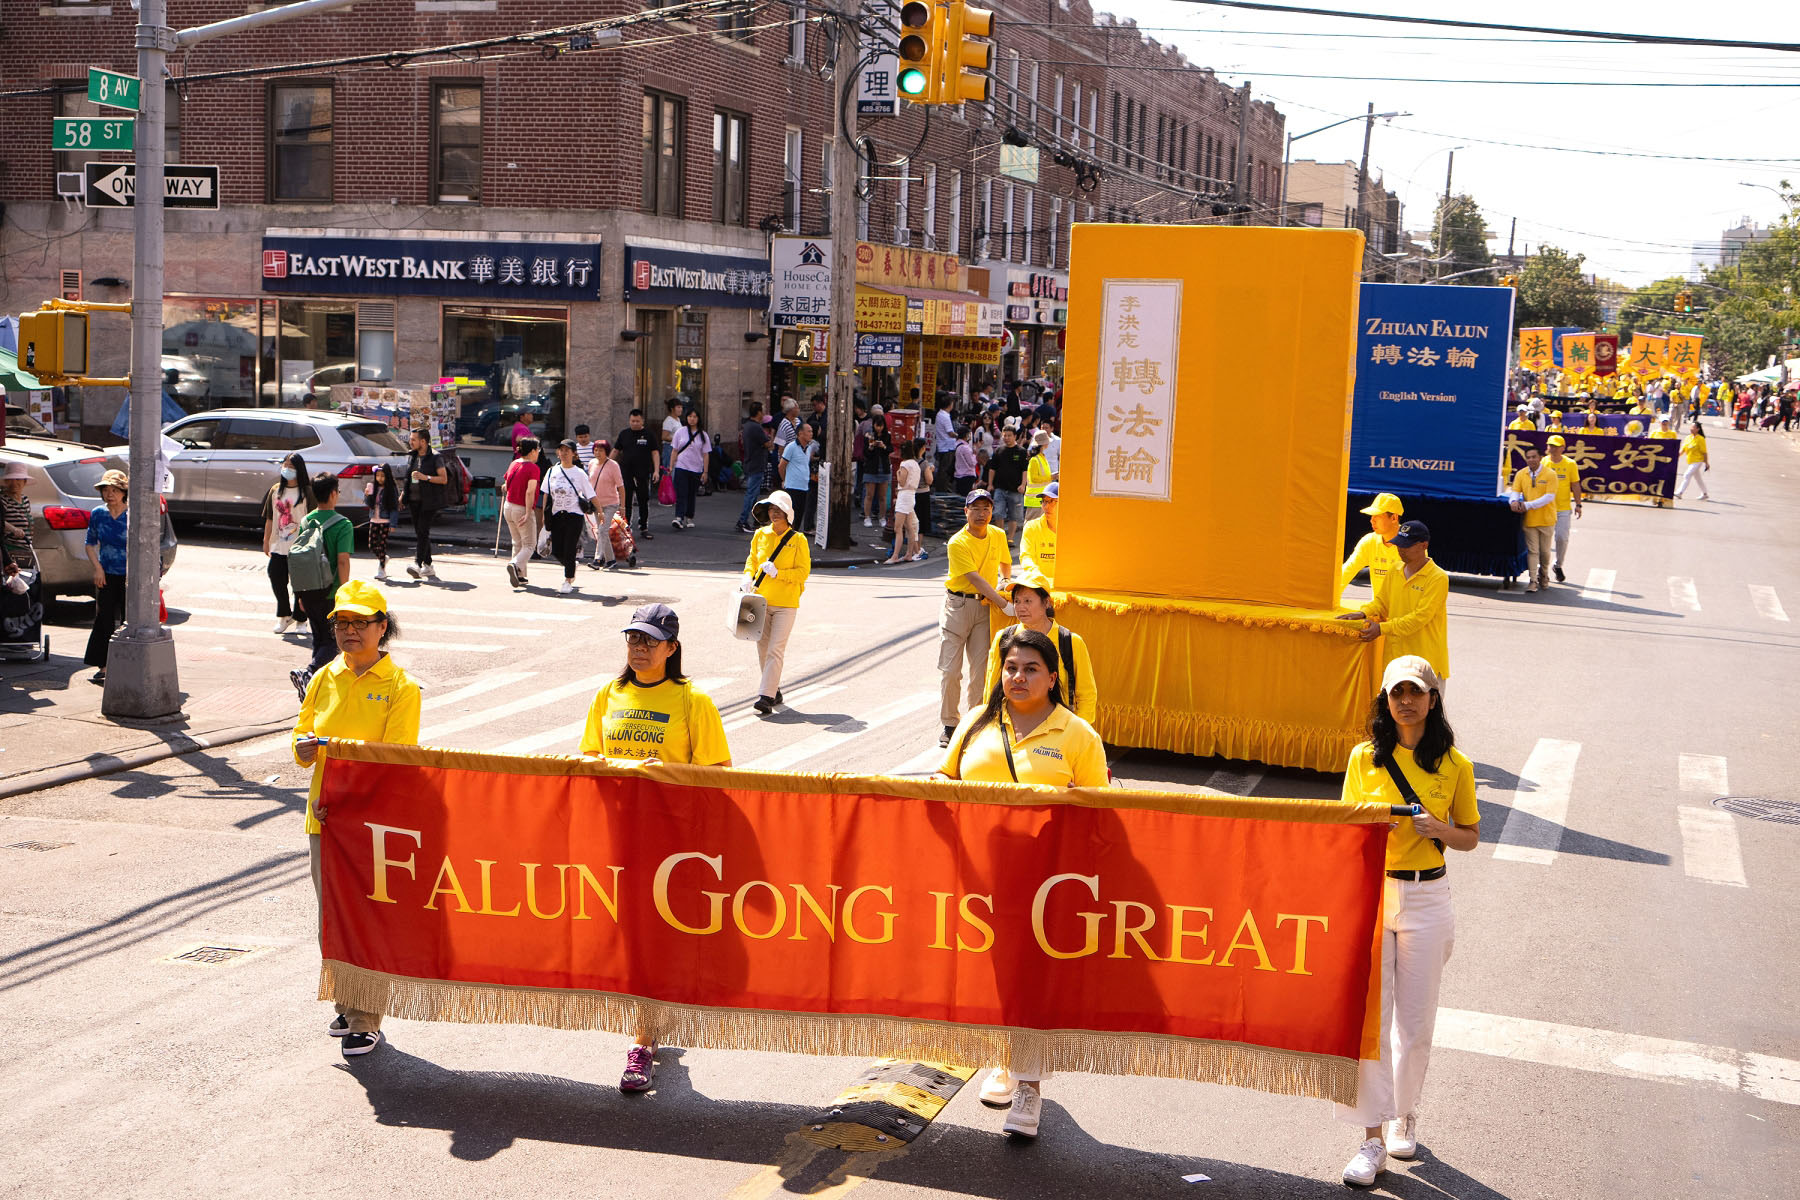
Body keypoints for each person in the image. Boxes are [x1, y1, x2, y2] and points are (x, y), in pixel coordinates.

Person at [941, 626, 1108, 1140]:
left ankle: (1030, 1086)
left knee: (1031, 982)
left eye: (1031, 668)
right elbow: (946, 779)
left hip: (1045, 885)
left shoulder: (1078, 735)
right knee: (995, 975)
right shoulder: (976, 722)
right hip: (980, 878)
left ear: (1053, 678)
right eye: (1011, 667)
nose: (1018, 677)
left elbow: (1101, 815)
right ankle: (1006, 1059)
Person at [1335, 655, 1479, 1187]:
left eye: (1416, 692)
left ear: (1433, 699)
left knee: (1414, 1028)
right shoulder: (1363, 759)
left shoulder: (1456, 766)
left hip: (1427, 897)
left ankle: (1404, 1113)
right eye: (1397, 693)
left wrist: (1439, 828)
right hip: (1374, 895)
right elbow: (1342, 828)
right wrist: (1370, 826)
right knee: (1370, 1023)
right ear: (1385, 700)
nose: (1406, 701)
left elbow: (1470, 836)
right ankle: (1370, 1139)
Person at [578, 603, 731, 1091]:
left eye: (649, 641)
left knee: (654, 939)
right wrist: (620, 770)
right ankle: (653, 1019)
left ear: (672, 648)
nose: (639, 648)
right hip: (619, 834)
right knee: (630, 938)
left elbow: (718, 773)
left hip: (671, 842)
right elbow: (589, 757)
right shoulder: (609, 693)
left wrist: (662, 776)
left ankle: (642, 1043)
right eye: (633, 639)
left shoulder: (692, 700)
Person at [293, 579, 421, 1058]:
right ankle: (347, 1005)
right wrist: (304, 749)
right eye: (342, 623)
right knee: (333, 918)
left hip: (372, 823)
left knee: (368, 917)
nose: (349, 631)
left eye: (360, 623)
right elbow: (302, 736)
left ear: (382, 627)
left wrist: (349, 796)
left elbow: (396, 759)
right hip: (324, 818)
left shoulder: (401, 687)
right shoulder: (324, 677)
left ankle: (367, 1017)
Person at [937, 489, 1014, 747]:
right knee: (950, 671)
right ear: (966, 511)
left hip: (984, 607)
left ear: (992, 511)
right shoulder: (957, 542)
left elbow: (1005, 562)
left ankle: (974, 723)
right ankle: (950, 723)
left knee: (981, 671)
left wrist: (1005, 580)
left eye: (986, 509)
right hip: (958, 606)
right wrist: (1003, 603)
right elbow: (975, 579)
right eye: (976, 509)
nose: (982, 514)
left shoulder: (998, 534)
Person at [1342, 521, 1450, 689]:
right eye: (1399, 544)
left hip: (1424, 663)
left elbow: (1419, 618)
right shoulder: (1395, 570)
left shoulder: (1437, 578)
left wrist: (1381, 628)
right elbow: (1381, 602)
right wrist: (1363, 612)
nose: (1401, 549)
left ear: (1424, 545)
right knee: (1391, 704)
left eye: (1406, 545)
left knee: (1424, 705)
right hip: (1395, 659)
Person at [981, 571, 1095, 723]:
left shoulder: (1071, 642)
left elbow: (1087, 695)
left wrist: (1079, 730)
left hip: (1059, 726)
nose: (1020, 607)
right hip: (1014, 726)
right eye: (1017, 601)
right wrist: (992, 724)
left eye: (1028, 601)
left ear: (1046, 603)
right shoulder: (1004, 638)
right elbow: (991, 688)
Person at [742, 490, 812, 714]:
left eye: (779, 510)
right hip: (760, 601)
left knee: (775, 649)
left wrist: (778, 573)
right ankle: (774, 689)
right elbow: (752, 561)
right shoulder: (760, 535)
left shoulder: (798, 540)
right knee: (763, 649)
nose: (774, 513)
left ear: (788, 513)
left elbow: (803, 573)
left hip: (786, 604)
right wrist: (747, 577)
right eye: (771, 509)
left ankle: (765, 696)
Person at [287, 472, 356, 698]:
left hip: (308, 590)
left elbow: (300, 559)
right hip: (331, 593)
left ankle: (314, 688)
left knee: (318, 638)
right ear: (334, 494)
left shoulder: (307, 521)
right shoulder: (343, 524)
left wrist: (299, 595)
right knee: (332, 642)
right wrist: (344, 594)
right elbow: (343, 561)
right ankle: (308, 673)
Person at [83, 468, 131, 684]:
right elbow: (90, 544)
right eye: (106, 490)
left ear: (124, 492)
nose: (110, 494)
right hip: (106, 574)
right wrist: (98, 568)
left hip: (129, 576)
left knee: (128, 620)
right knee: (104, 618)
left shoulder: (132, 515)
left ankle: (128, 665)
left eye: (115, 490)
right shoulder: (98, 513)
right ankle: (104, 666)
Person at [259, 451, 314, 635]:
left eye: (291, 466)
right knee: (276, 577)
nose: (287, 469)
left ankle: (301, 619)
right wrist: (266, 540)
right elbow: (269, 518)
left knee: (300, 585)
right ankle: (284, 615)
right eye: (285, 465)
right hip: (279, 546)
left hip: (301, 547)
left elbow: (314, 519)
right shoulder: (275, 490)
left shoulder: (307, 492)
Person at [544, 439, 596, 594]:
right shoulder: (552, 471)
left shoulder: (579, 473)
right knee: (556, 550)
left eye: (567, 450)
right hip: (556, 514)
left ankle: (568, 580)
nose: (564, 453)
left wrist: (599, 511)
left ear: (574, 454)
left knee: (569, 547)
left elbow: (591, 494)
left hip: (574, 515)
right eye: (562, 450)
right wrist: (544, 514)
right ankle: (571, 565)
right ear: (558, 453)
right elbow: (546, 493)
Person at [1507, 446, 1559, 593]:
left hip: (1547, 519)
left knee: (1545, 552)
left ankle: (1544, 575)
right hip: (1529, 520)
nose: (1531, 460)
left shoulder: (1550, 474)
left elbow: (1549, 497)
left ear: (1540, 457)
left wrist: (1527, 505)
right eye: (1528, 457)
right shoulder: (1521, 474)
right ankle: (1533, 580)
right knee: (1532, 551)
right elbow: (1515, 491)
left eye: (1534, 457)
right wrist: (1513, 501)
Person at [1339, 493, 1403, 600]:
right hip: (1378, 608)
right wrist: (1327, 598)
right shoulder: (1369, 542)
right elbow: (1346, 571)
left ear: (1394, 518)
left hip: (1405, 608)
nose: (1372, 520)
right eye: (1372, 516)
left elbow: (1420, 584)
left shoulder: (1413, 545)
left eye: (1377, 516)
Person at [403, 429, 447, 581]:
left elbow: (443, 479)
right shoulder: (413, 455)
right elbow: (408, 477)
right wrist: (403, 494)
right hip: (413, 500)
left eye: (413, 439)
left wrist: (425, 477)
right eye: (411, 439)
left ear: (423, 441)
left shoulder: (435, 457)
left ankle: (417, 563)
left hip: (429, 501)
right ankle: (428, 566)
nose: (411, 442)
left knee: (422, 531)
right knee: (421, 533)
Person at [1541, 435, 1584, 583]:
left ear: (1562, 448)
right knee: (1544, 540)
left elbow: (1575, 484)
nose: (1552, 448)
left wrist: (1578, 504)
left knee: (1561, 538)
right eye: (1550, 445)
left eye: (1555, 446)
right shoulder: (1544, 462)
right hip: (1546, 507)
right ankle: (1542, 568)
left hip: (1563, 508)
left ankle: (1558, 565)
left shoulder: (1570, 464)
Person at [883, 438, 931, 565]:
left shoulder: (905, 464)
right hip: (911, 495)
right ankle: (909, 554)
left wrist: (898, 473)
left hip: (904, 497)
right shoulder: (916, 464)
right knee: (910, 527)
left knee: (898, 527)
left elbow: (902, 481)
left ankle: (895, 555)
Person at [502, 438, 542, 589]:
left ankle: (519, 575)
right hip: (521, 508)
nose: (538, 452)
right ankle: (515, 564)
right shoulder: (533, 468)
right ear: (532, 451)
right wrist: (527, 511)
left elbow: (505, 485)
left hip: (508, 506)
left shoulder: (514, 463)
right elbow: (530, 491)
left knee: (517, 542)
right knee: (530, 545)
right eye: (538, 450)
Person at [614, 408, 659, 540]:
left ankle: (644, 527)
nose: (635, 423)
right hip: (626, 473)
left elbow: (655, 453)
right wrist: (605, 465)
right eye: (632, 421)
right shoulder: (624, 434)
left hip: (643, 473)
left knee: (643, 500)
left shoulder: (649, 435)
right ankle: (626, 527)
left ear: (642, 421)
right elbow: (616, 451)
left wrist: (656, 470)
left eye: (637, 421)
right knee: (626, 501)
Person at [984, 426, 1030, 545]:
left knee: (1014, 515)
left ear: (1015, 436)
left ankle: (1010, 538)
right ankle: (1001, 537)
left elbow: (1025, 470)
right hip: (1000, 488)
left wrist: (1023, 485)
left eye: (1009, 435)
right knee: (998, 513)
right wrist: (990, 484)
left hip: (1015, 489)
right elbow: (992, 469)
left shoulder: (1021, 451)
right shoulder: (999, 451)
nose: (1007, 438)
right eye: (1005, 435)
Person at [669, 406, 711, 530]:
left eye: (694, 417)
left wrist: (705, 471)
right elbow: (674, 450)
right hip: (681, 466)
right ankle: (679, 517)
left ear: (698, 419)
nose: (692, 419)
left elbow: (706, 454)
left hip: (696, 468)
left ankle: (689, 516)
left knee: (691, 493)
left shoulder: (703, 435)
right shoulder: (680, 432)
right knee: (681, 492)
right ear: (686, 418)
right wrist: (671, 466)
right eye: (690, 416)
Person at [588, 439, 624, 570]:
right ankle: (611, 560)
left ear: (607, 451)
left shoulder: (613, 465)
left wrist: (623, 506)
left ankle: (597, 559)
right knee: (602, 532)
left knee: (602, 530)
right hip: (596, 504)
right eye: (596, 450)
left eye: (601, 450)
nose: (597, 452)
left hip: (610, 504)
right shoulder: (592, 463)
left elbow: (621, 487)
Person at [737, 401, 771, 533]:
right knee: (751, 494)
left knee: (753, 493)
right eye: (762, 411)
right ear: (758, 412)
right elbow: (767, 443)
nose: (763, 414)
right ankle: (743, 521)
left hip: (750, 462)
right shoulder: (756, 427)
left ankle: (755, 520)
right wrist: (768, 440)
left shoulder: (747, 426)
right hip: (756, 464)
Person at [363, 463, 398, 582]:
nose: (380, 478)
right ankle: (383, 558)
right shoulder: (374, 487)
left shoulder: (391, 489)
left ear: (388, 476)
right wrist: (367, 495)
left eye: (382, 476)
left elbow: (394, 508)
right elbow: (369, 504)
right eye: (378, 476)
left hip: (385, 520)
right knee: (372, 545)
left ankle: (382, 570)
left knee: (382, 545)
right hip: (374, 519)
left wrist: (393, 524)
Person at [781, 422, 819, 533]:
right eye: (809, 431)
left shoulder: (808, 448)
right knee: (791, 517)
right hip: (793, 487)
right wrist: (784, 480)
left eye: (812, 431)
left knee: (799, 516)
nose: (811, 434)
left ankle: (793, 538)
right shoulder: (791, 447)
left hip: (804, 487)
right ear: (800, 433)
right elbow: (781, 466)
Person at [860, 413, 893, 529]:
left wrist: (883, 446)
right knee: (869, 495)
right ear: (873, 425)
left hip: (884, 468)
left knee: (882, 496)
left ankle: (882, 517)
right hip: (871, 469)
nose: (879, 428)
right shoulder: (868, 435)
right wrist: (871, 447)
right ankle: (867, 517)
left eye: (881, 426)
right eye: (877, 425)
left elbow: (890, 449)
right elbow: (865, 453)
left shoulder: (888, 436)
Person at [1677, 420, 1711, 499]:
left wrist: (1706, 463)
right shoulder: (1688, 438)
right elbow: (1683, 449)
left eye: (1693, 427)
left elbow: (1704, 452)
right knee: (1698, 478)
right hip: (1690, 461)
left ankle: (1680, 492)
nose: (1691, 429)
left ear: (1698, 429)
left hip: (1698, 461)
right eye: (1691, 427)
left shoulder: (1701, 439)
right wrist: (1676, 457)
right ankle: (1705, 493)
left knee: (1687, 475)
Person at [1023, 429, 1053, 517]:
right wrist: (1051, 477)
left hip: (1040, 498)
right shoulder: (1035, 459)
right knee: (1031, 522)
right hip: (1035, 499)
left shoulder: (1041, 457)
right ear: (1044, 443)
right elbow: (1034, 479)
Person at [932, 396, 958, 491]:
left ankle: (942, 488)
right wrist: (959, 436)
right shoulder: (945, 416)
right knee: (945, 470)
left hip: (942, 445)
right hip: (947, 446)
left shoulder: (940, 414)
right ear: (949, 404)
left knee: (943, 469)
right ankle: (941, 489)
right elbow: (950, 432)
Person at [660, 398, 684, 475]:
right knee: (669, 472)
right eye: (678, 407)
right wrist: (677, 440)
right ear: (672, 409)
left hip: (676, 449)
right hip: (669, 449)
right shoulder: (669, 421)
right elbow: (664, 437)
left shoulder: (678, 419)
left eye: (681, 407)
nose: (681, 409)